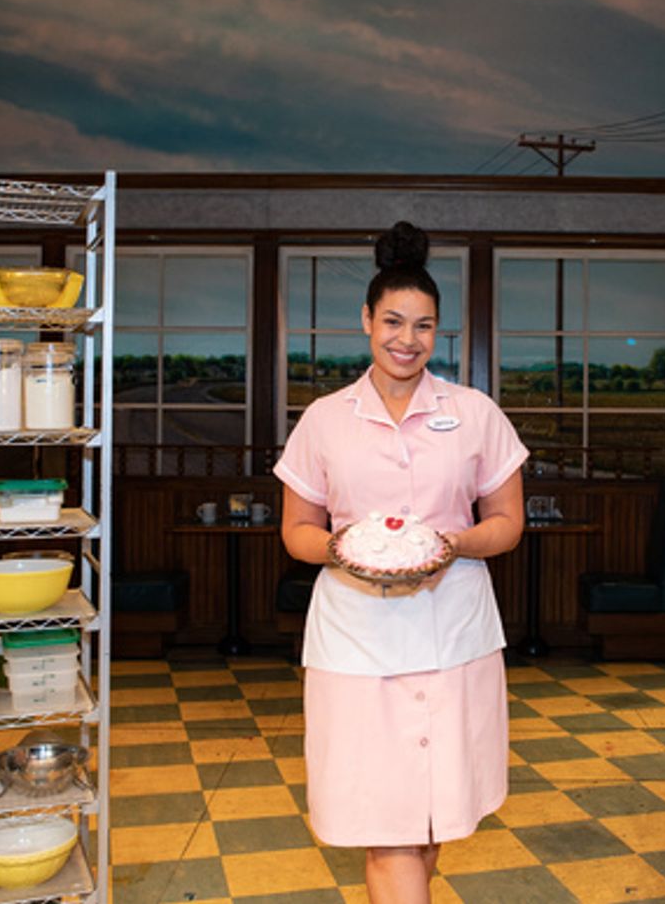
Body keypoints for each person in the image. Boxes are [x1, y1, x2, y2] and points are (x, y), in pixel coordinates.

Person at [274, 220, 527, 903]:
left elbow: (507, 523)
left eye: (423, 325)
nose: (406, 339)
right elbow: (296, 528)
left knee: (429, 821)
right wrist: (347, 549)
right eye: (392, 320)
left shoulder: (474, 413)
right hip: (356, 640)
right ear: (366, 319)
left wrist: (455, 544)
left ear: (438, 331)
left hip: (456, 635)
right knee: (385, 827)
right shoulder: (325, 418)